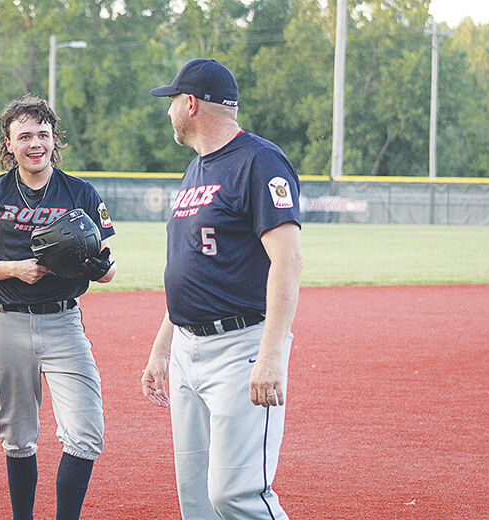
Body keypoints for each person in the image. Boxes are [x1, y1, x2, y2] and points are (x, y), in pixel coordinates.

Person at [141, 58, 302, 520]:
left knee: (238, 495)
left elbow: (287, 260)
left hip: (241, 348)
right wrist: (161, 349)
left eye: (172, 101)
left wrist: (271, 355)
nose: (168, 110)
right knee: (196, 499)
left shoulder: (258, 161)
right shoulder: (197, 169)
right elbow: (192, 269)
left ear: (190, 104)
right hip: (189, 350)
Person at [0, 95, 116, 520]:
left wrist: (99, 263)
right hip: (7, 323)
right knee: (17, 436)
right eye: (24, 136)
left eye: (43, 135)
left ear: (54, 140)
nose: (35, 144)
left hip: (65, 323)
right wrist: (13, 269)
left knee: (86, 433)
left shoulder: (80, 192)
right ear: (8, 143)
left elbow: (107, 271)